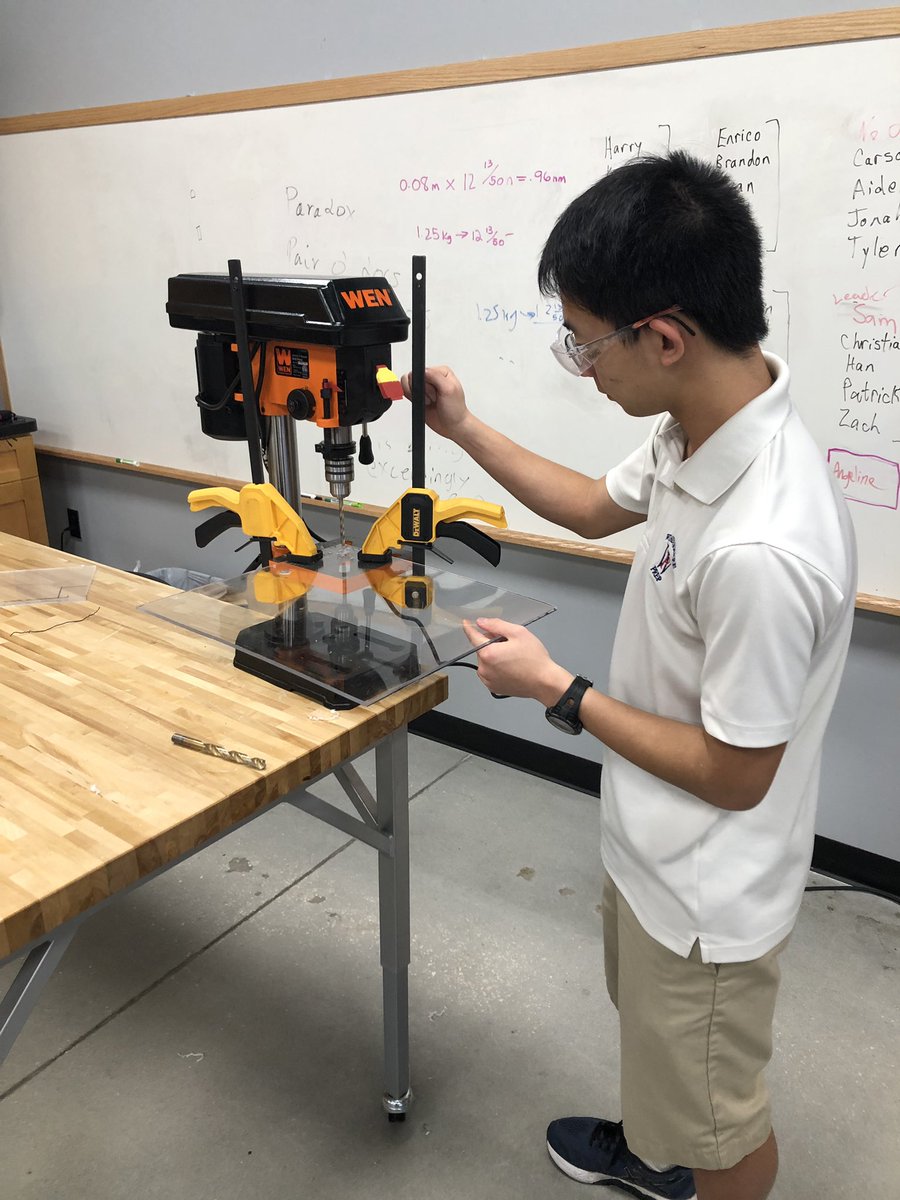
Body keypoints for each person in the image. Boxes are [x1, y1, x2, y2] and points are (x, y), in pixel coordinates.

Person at [401, 152, 857, 1200]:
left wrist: (559, 689)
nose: (581, 362)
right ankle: (658, 1145)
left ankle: (689, 1160)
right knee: (669, 1071)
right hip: (652, 843)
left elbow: (740, 775)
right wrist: (462, 426)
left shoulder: (762, 545)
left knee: (722, 1123)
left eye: (584, 341)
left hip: (706, 891)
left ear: (663, 336)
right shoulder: (701, 431)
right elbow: (590, 508)